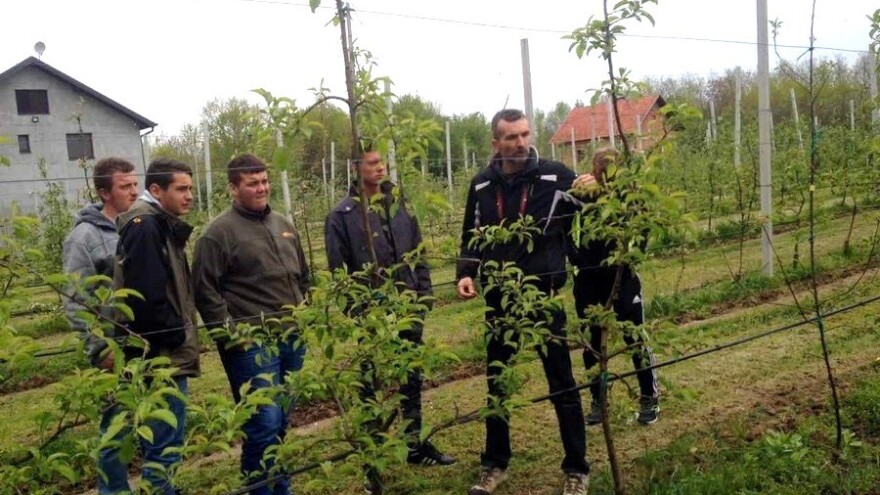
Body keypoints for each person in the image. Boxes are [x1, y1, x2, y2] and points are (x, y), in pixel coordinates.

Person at [457, 109, 590, 495]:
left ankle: (577, 468)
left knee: (562, 382)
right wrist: (467, 271)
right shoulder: (481, 184)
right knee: (498, 383)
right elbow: (471, 234)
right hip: (500, 301)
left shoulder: (555, 175)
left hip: (543, 298)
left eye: (525, 134)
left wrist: (603, 182)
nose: (521, 142)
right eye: (511, 137)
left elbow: (595, 204)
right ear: (495, 143)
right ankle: (495, 464)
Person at [324, 149, 455, 492]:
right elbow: (340, 274)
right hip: (373, 316)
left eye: (382, 161)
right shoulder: (342, 215)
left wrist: (423, 293)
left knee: (411, 377)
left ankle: (413, 445)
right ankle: (373, 464)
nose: (380, 167)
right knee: (372, 387)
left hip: (408, 306)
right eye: (371, 162)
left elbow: (419, 252)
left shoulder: (400, 203)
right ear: (355, 167)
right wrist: (361, 313)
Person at [193, 154, 309, 495]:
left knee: (281, 422)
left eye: (264, 181)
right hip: (252, 345)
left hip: (291, 338)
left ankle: (280, 488)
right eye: (252, 183)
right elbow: (205, 290)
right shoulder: (218, 233)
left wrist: (304, 313)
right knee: (263, 424)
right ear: (233, 188)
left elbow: (302, 274)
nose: (261, 188)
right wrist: (233, 337)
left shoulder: (283, 223)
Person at [107, 157, 199, 495]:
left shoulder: (157, 223)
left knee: (164, 443)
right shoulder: (146, 226)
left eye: (191, 188)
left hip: (162, 354)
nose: (189, 196)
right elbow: (145, 298)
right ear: (156, 190)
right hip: (161, 359)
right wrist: (173, 337)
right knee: (164, 446)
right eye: (182, 189)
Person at [569, 147, 660, 426]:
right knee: (592, 344)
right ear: (593, 170)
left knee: (635, 338)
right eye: (600, 169)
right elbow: (565, 231)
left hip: (623, 276)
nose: (605, 175)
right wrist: (578, 260)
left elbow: (643, 228)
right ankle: (599, 401)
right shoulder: (579, 197)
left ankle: (648, 397)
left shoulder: (629, 197)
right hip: (587, 279)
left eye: (611, 170)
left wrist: (632, 258)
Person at [63, 157, 139, 368]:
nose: (134, 192)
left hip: (145, 339)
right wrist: (99, 349)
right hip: (114, 346)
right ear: (105, 193)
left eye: (135, 184)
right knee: (120, 400)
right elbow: (75, 299)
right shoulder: (84, 238)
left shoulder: (139, 226)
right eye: (125, 186)